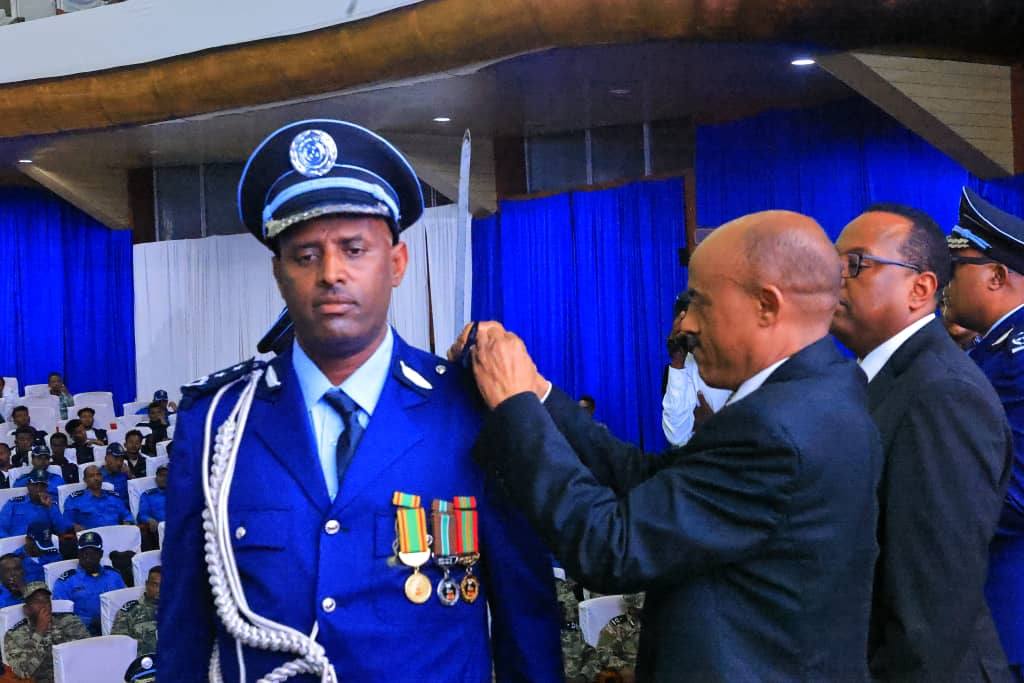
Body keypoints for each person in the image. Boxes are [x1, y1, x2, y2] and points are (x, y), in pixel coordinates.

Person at [160, 119, 562, 682]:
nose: (331, 274)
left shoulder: (472, 410)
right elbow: (183, 631)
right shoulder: (217, 422)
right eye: (305, 255)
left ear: (396, 263)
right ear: (278, 273)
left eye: (354, 249)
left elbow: (527, 624)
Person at [453, 211, 883, 681]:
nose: (685, 325)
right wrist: (538, 393)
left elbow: (610, 546)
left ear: (766, 305)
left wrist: (514, 407)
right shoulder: (823, 393)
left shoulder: (776, 428)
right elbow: (650, 481)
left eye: (700, 302)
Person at [830, 202, 1012, 681]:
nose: (834, 279)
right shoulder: (878, 377)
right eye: (832, 263)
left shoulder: (941, 393)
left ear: (920, 288)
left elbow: (931, 606)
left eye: (855, 264)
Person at [945, 187, 1024, 680]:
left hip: (1010, 607)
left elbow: (1018, 493)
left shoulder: (1017, 360)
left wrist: (928, 526)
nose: (945, 283)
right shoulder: (993, 351)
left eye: (957, 268)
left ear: (996, 276)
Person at [661, 291, 731, 446]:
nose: (688, 328)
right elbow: (676, 437)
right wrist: (677, 360)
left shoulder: (734, 361)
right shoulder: (677, 367)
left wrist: (714, 425)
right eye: (682, 321)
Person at [4, 581, 90, 683]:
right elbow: (23, 672)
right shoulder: (15, 635)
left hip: (77, 677)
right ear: (26, 610)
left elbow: (88, 652)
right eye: (37, 602)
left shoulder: (69, 621)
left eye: (46, 600)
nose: (44, 605)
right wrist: (39, 632)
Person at [53, 531, 125, 635]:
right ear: (78, 554)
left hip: (115, 630)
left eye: (93, 553)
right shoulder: (65, 582)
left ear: (101, 554)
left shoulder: (114, 576)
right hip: (81, 635)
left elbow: (125, 605)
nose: (88, 557)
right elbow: (60, 617)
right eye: (84, 552)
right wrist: (90, 622)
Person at [0, 469, 70, 538]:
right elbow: (1, 526)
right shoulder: (14, 503)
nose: (38, 489)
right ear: (28, 485)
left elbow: (63, 529)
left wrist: (51, 507)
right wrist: (8, 542)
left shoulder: (51, 505)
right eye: (35, 485)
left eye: (42, 485)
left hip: (41, 543)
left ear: (46, 488)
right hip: (14, 542)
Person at [63, 465, 133, 531]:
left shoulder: (114, 497)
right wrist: (75, 527)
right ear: (85, 480)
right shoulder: (75, 499)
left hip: (116, 534)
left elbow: (127, 516)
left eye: (98, 475)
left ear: (102, 477)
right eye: (91, 476)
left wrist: (127, 525)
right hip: (91, 537)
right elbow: (66, 521)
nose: (96, 478)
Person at [112, 566, 159, 656]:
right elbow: (118, 646)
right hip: (143, 662)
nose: (159, 590)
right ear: (147, 584)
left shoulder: (178, 610)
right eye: (155, 585)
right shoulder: (130, 612)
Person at [137, 464, 166, 551]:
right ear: (156, 478)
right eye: (161, 475)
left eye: (167, 475)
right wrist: (149, 520)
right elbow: (142, 515)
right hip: (158, 530)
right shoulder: (148, 495)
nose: (164, 478)